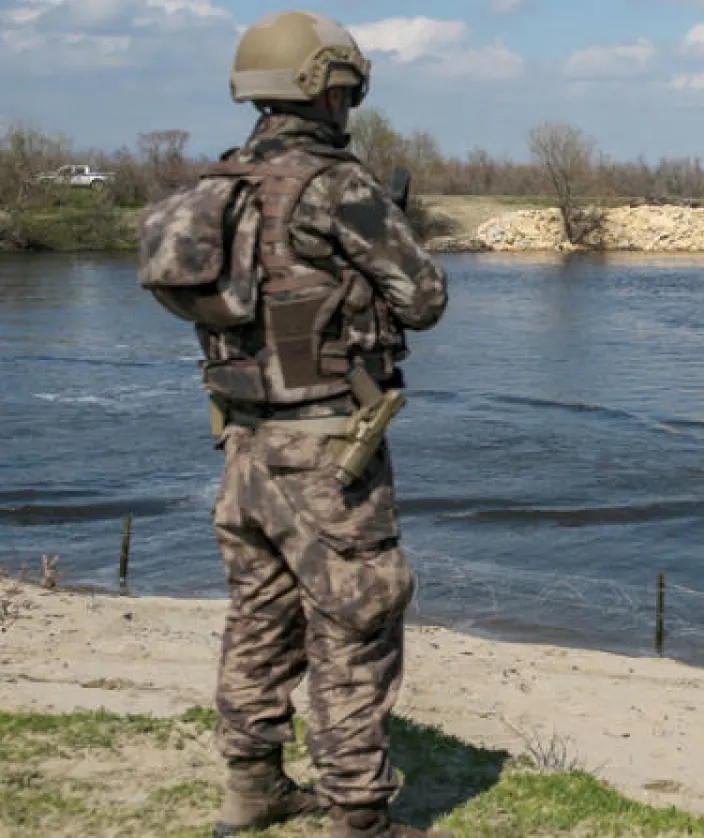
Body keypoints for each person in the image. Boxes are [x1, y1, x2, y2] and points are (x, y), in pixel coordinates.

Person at [137, 10, 449, 838]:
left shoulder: (217, 189)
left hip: (241, 442)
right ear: (328, 87)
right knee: (358, 614)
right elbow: (425, 301)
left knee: (260, 614)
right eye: (346, 85)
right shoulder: (335, 186)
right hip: (326, 451)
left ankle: (253, 787)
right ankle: (358, 813)